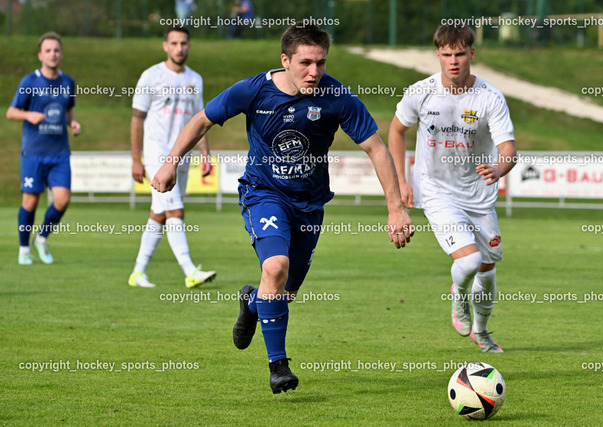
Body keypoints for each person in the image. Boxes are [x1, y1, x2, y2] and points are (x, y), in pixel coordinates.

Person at [151, 23, 413, 393]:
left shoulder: (337, 96)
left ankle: (251, 303)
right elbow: (201, 120)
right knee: (274, 266)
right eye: (305, 63)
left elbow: (377, 148)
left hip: (309, 205)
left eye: (321, 63)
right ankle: (279, 366)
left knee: (283, 293)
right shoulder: (254, 90)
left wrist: (395, 208)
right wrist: (170, 163)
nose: (314, 71)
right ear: (285, 60)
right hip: (264, 194)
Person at [388, 24, 517, 353]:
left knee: (487, 268)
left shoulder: (490, 98)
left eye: (460, 54)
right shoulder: (421, 92)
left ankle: (482, 331)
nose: (454, 61)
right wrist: (402, 180)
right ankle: (458, 295)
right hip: (436, 190)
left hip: (479, 195)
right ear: (438, 56)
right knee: (470, 262)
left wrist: (499, 168)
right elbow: (397, 130)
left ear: (472, 53)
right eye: (447, 55)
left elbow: (508, 150)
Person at [128, 26, 216, 289]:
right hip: (157, 156)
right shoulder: (151, 76)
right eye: (174, 43)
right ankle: (190, 271)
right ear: (165, 46)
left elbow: (200, 121)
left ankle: (138, 272)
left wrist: (205, 154)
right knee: (175, 210)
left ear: (189, 46)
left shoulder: (195, 79)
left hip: (182, 158)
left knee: (159, 214)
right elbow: (137, 119)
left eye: (184, 43)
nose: (179, 48)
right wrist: (136, 159)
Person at [7, 32, 81, 265]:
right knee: (30, 202)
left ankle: (41, 238)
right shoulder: (30, 82)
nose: (53, 54)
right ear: (40, 55)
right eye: (48, 50)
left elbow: (67, 111)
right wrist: (28, 115)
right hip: (34, 153)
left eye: (56, 50)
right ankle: (24, 249)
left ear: (62, 54)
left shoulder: (68, 82)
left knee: (62, 200)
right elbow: (11, 112)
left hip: (59, 154)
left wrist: (73, 123)